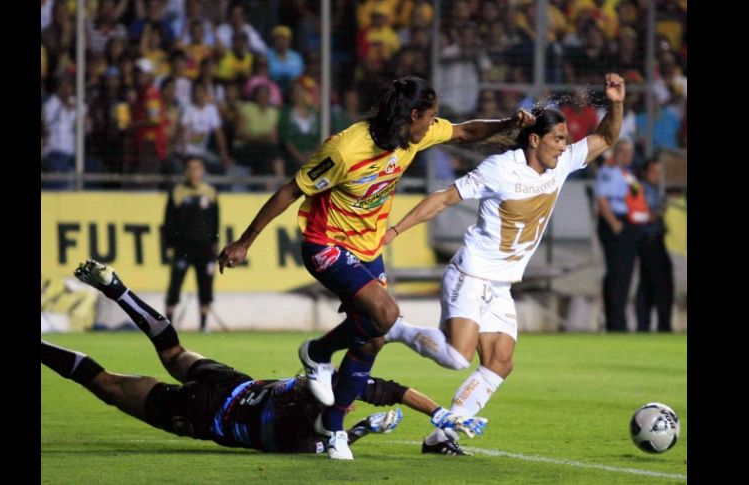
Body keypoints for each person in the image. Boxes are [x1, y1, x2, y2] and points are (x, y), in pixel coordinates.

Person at [217, 76, 533, 459]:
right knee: (387, 313)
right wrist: (246, 241)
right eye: (430, 116)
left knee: (374, 338)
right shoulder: (346, 149)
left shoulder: (417, 134)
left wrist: (507, 125)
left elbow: (465, 133)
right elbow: (290, 190)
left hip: (367, 249)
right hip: (326, 241)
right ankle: (317, 351)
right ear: (413, 114)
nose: (435, 123)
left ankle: (332, 428)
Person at [381, 73, 626, 450]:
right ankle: (397, 330)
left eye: (565, 139)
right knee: (457, 357)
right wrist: (396, 230)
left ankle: (442, 436)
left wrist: (616, 103)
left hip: (500, 284)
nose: (564, 146)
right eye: (557, 139)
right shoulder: (501, 169)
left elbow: (607, 137)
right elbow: (445, 198)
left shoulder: (561, 163)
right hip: (471, 274)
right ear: (534, 140)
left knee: (500, 362)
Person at [41, 260, 487, 455]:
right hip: (210, 415)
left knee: (173, 351)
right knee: (107, 385)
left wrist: (441, 411)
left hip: (236, 383)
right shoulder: (326, 414)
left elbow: (395, 390)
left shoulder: (334, 378)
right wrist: (362, 431)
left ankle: (120, 291)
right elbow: (315, 441)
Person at [594, 137, 645, 331]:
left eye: (630, 152)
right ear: (615, 153)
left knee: (624, 273)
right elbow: (602, 199)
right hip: (615, 221)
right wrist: (614, 223)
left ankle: (618, 320)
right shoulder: (608, 172)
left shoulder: (628, 174)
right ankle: (615, 323)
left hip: (628, 222)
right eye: (623, 151)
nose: (627, 156)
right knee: (617, 273)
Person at [163, 156, 219, 332]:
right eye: (191, 168)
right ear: (186, 171)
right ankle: (169, 323)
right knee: (175, 285)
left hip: (205, 248)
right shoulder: (177, 192)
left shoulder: (210, 192)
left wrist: (215, 242)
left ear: (202, 171)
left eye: (198, 168)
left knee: (206, 286)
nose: (194, 172)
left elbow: (216, 220)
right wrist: (170, 245)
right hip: (183, 247)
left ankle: (203, 323)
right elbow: (168, 221)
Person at [634, 158, 673, 332]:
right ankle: (662, 325)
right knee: (661, 282)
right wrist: (661, 210)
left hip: (654, 239)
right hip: (650, 239)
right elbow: (645, 215)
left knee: (647, 283)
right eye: (654, 172)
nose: (658, 176)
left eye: (659, 172)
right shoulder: (643, 190)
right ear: (645, 173)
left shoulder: (655, 190)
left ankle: (645, 324)